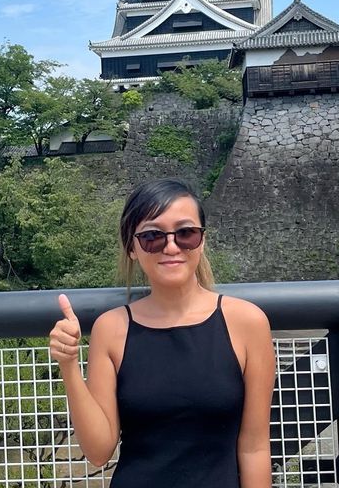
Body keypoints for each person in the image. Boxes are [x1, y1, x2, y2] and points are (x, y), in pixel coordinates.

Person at [49, 178, 276, 488]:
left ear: (202, 240)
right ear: (132, 247)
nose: (171, 246)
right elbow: (98, 451)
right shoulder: (112, 328)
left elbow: (255, 447)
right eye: (153, 237)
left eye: (186, 233)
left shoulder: (247, 323)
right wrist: (68, 365)